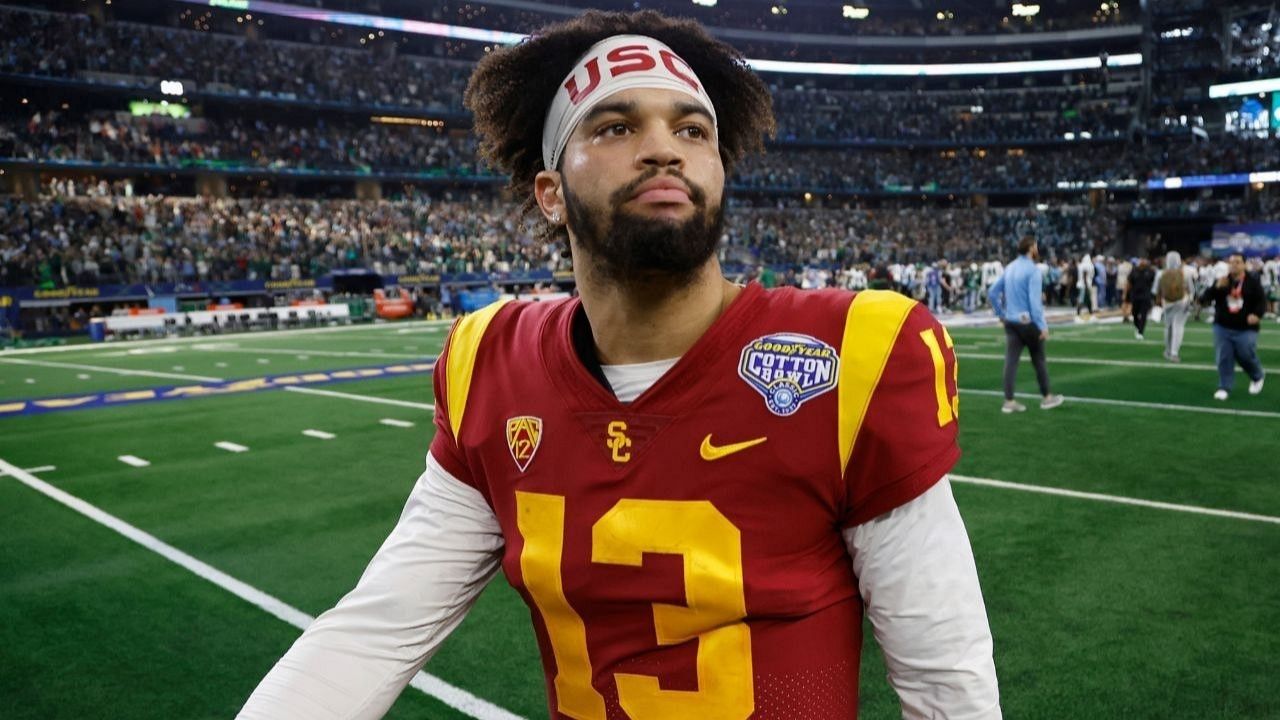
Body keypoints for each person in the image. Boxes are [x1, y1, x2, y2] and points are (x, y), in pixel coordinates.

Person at [237, 11, 1001, 720]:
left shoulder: (855, 353)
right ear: (550, 194)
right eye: (614, 125)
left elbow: (947, 677)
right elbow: (377, 629)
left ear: (719, 172)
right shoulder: (490, 366)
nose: (665, 146)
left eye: (693, 129)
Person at [988, 236, 1065, 413]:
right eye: (1036, 246)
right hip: (1027, 322)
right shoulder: (1033, 270)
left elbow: (992, 293)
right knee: (1038, 359)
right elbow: (1034, 302)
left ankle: (1009, 401)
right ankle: (1047, 397)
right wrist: (1042, 325)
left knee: (1011, 362)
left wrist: (1001, 314)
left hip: (1011, 321)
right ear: (1031, 248)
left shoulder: (1010, 267)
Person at [1201, 252, 1267, 400]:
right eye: (1231, 262)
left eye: (1237, 262)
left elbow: (1261, 301)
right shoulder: (1222, 281)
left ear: (1244, 264)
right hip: (1223, 326)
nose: (1234, 265)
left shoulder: (1252, 282)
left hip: (1246, 327)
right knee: (1224, 357)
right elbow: (1203, 300)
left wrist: (1257, 315)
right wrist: (1216, 288)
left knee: (1245, 354)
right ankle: (1224, 386)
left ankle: (1257, 376)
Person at [1156, 251, 1194, 362]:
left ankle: (1168, 351)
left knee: (1168, 327)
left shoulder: (1160, 273)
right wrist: (1190, 301)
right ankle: (1174, 353)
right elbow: (1192, 290)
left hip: (1167, 303)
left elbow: (1155, 291)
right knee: (1178, 326)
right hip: (1182, 302)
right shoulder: (1185, 273)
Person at [1128, 257, 1156, 341]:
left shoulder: (1150, 271)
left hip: (1145, 296)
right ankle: (1138, 326)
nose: (1143, 262)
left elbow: (1154, 283)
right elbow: (1129, 283)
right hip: (1135, 296)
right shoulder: (1134, 271)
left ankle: (1141, 332)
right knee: (1134, 314)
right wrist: (1126, 295)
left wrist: (1153, 296)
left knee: (1144, 315)